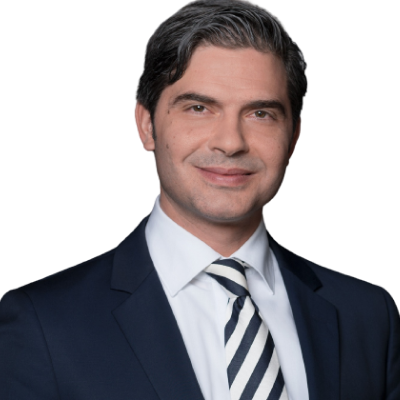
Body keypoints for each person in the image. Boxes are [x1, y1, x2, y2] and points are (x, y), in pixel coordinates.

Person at [1, 0, 399, 399]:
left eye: (261, 114)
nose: (231, 142)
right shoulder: (41, 323)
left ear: (293, 137)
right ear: (146, 125)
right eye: (199, 108)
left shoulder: (368, 315)